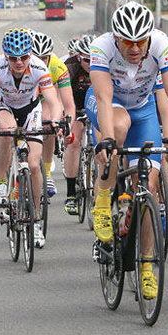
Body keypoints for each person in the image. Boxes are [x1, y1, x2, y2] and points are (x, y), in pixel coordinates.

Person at [88, 2, 168, 300]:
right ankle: (102, 199)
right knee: (119, 127)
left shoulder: (161, 44)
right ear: (116, 39)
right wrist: (108, 141)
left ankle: (148, 265)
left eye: (141, 41)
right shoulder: (101, 48)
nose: (135, 48)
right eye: (128, 41)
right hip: (109, 107)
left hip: (144, 109)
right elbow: (102, 96)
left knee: (150, 186)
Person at [0, 28, 66, 249]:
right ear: (5, 56)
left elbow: (54, 101)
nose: (19, 63)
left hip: (31, 109)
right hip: (4, 106)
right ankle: (1, 183)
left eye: (23, 57)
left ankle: (36, 220)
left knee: (35, 166)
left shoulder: (39, 67)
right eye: (13, 58)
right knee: (6, 130)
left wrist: (56, 120)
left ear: (30, 55)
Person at [31, 31, 76, 198]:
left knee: (48, 122)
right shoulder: (21, 64)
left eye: (45, 58)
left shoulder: (58, 67)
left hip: (46, 95)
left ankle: (47, 173)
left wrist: (67, 124)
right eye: (37, 57)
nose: (41, 62)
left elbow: (68, 102)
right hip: (23, 96)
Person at [62, 34, 95, 215]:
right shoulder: (70, 66)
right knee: (74, 142)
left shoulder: (104, 64)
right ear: (79, 57)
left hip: (96, 102)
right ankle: (71, 194)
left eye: (94, 59)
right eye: (87, 60)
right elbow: (63, 96)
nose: (91, 64)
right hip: (75, 103)